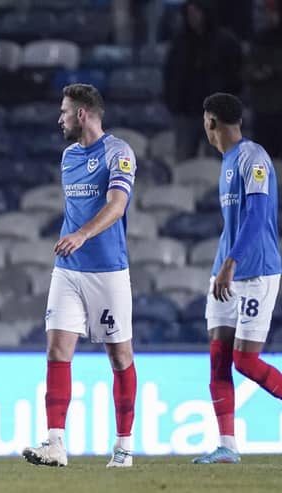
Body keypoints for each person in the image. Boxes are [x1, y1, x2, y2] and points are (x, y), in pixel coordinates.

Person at [22, 84, 137, 468]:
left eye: (64, 112)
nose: (60, 119)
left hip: (107, 271)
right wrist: (74, 239)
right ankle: (55, 443)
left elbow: (117, 205)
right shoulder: (69, 156)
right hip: (69, 270)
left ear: (83, 114)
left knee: (119, 355)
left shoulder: (119, 153)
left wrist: (82, 234)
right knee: (57, 350)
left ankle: (123, 447)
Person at [192, 93, 282, 464]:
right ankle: (227, 446)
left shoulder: (252, 158)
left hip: (255, 271)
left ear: (211, 121)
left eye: (204, 120)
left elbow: (258, 217)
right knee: (218, 358)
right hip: (224, 273)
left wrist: (231, 262)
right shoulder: (228, 161)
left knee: (246, 362)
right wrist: (221, 267)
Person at [163, 0, 242, 162]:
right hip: (186, 112)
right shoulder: (179, 43)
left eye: (196, 12)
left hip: (217, 115)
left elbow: (236, 75)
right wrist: (173, 103)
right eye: (189, 13)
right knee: (184, 160)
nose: (193, 17)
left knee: (218, 163)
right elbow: (170, 75)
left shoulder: (225, 42)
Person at [245, 0, 282, 159]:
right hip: (263, 110)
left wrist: (272, 70)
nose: (269, 16)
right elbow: (247, 71)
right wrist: (258, 73)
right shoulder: (258, 40)